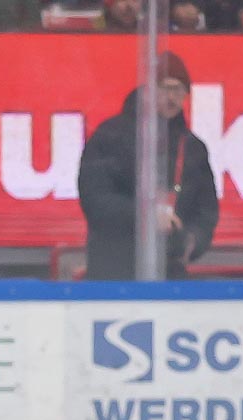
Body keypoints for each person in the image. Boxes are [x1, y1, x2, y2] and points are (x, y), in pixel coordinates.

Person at [76, 52, 218, 281]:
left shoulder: (193, 148)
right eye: (165, 88)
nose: (171, 98)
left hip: (170, 272)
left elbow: (206, 210)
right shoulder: (110, 136)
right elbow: (95, 199)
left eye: (179, 91)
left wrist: (190, 242)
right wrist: (145, 216)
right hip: (113, 271)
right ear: (148, 90)